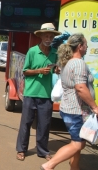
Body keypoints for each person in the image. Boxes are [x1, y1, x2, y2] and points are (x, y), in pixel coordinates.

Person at [41, 33, 98, 170]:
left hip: (70, 109)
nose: (87, 46)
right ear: (80, 46)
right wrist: (95, 107)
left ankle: (75, 167)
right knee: (78, 144)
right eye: (85, 44)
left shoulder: (67, 62)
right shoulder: (78, 63)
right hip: (76, 110)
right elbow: (80, 88)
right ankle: (49, 165)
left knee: (77, 141)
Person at [16, 23, 61, 162]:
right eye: (46, 35)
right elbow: (25, 71)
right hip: (31, 93)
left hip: (46, 94)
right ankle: (21, 150)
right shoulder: (32, 51)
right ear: (41, 36)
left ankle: (42, 150)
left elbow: (55, 71)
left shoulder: (55, 53)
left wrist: (56, 70)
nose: (49, 38)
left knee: (44, 124)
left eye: (51, 36)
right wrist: (39, 71)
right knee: (26, 123)